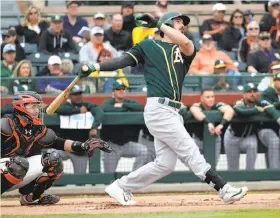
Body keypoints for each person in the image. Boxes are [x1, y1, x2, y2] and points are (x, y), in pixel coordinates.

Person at [78, 11, 248, 206]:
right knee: (190, 150)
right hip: (159, 109)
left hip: (173, 111)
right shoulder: (148, 45)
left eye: (183, 23)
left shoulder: (185, 49)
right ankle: (223, 189)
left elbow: (186, 43)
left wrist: (159, 23)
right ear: (167, 25)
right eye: (177, 22)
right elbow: (122, 61)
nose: (182, 25)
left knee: (165, 164)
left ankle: (121, 186)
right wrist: (94, 67)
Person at [0, 91, 112, 205]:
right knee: (18, 164)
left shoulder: (36, 128)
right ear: (21, 107)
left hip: (17, 169)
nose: (37, 110)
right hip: (4, 169)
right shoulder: (5, 125)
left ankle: (32, 197)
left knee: (53, 160)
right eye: (33, 106)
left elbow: (59, 143)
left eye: (37, 106)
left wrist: (83, 146)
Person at [101, 80, 151, 173]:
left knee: (143, 151)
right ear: (113, 92)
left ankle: (134, 177)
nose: (121, 91)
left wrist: (123, 105)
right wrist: (126, 108)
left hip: (126, 144)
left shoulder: (128, 102)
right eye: (118, 89)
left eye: (123, 89)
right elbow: (106, 109)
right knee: (108, 175)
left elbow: (141, 107)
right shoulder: (107, 102)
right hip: (111, 145)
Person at [55, 85, 104, 173]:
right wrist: (78, 111)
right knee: (50, 154)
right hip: (63, 147)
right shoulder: (65, 105)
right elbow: (59, 109)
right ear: (70, 96)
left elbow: (99, 112)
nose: (78, 97)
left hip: (79, 150)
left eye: (80, 94)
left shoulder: (86, 105)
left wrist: (94, 127)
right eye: (75, 94)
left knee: (81, 178)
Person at [186, 88, 234, 166]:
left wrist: (221, 125)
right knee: (195, 166)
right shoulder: (197, 105)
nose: (211, 99)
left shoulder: (217, 105)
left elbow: (230, 110)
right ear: (201, 98)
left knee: (212, 167)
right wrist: (208, 123)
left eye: (212, 97)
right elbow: (194, 110)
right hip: (198, 140)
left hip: (214, 139)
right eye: (208, 97)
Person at [224, 83, 260, 170]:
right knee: (233, 168)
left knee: (252, 146)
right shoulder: (239, 102)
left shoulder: (260, 103)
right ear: (244, 94)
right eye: (249, 92)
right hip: (233, 136)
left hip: (249, 136)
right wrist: (257, 109)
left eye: (254, 91)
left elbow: (272, 109)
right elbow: (241, 111)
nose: (252, 94)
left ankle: (251, 177)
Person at [259, 73, 280, 169]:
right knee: (274, 141)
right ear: (274, 81)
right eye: (279, 80)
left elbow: (272, 106)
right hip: (266, 128)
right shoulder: (267, 93)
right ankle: (275, 172)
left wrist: (275, 105)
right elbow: (266, 106)